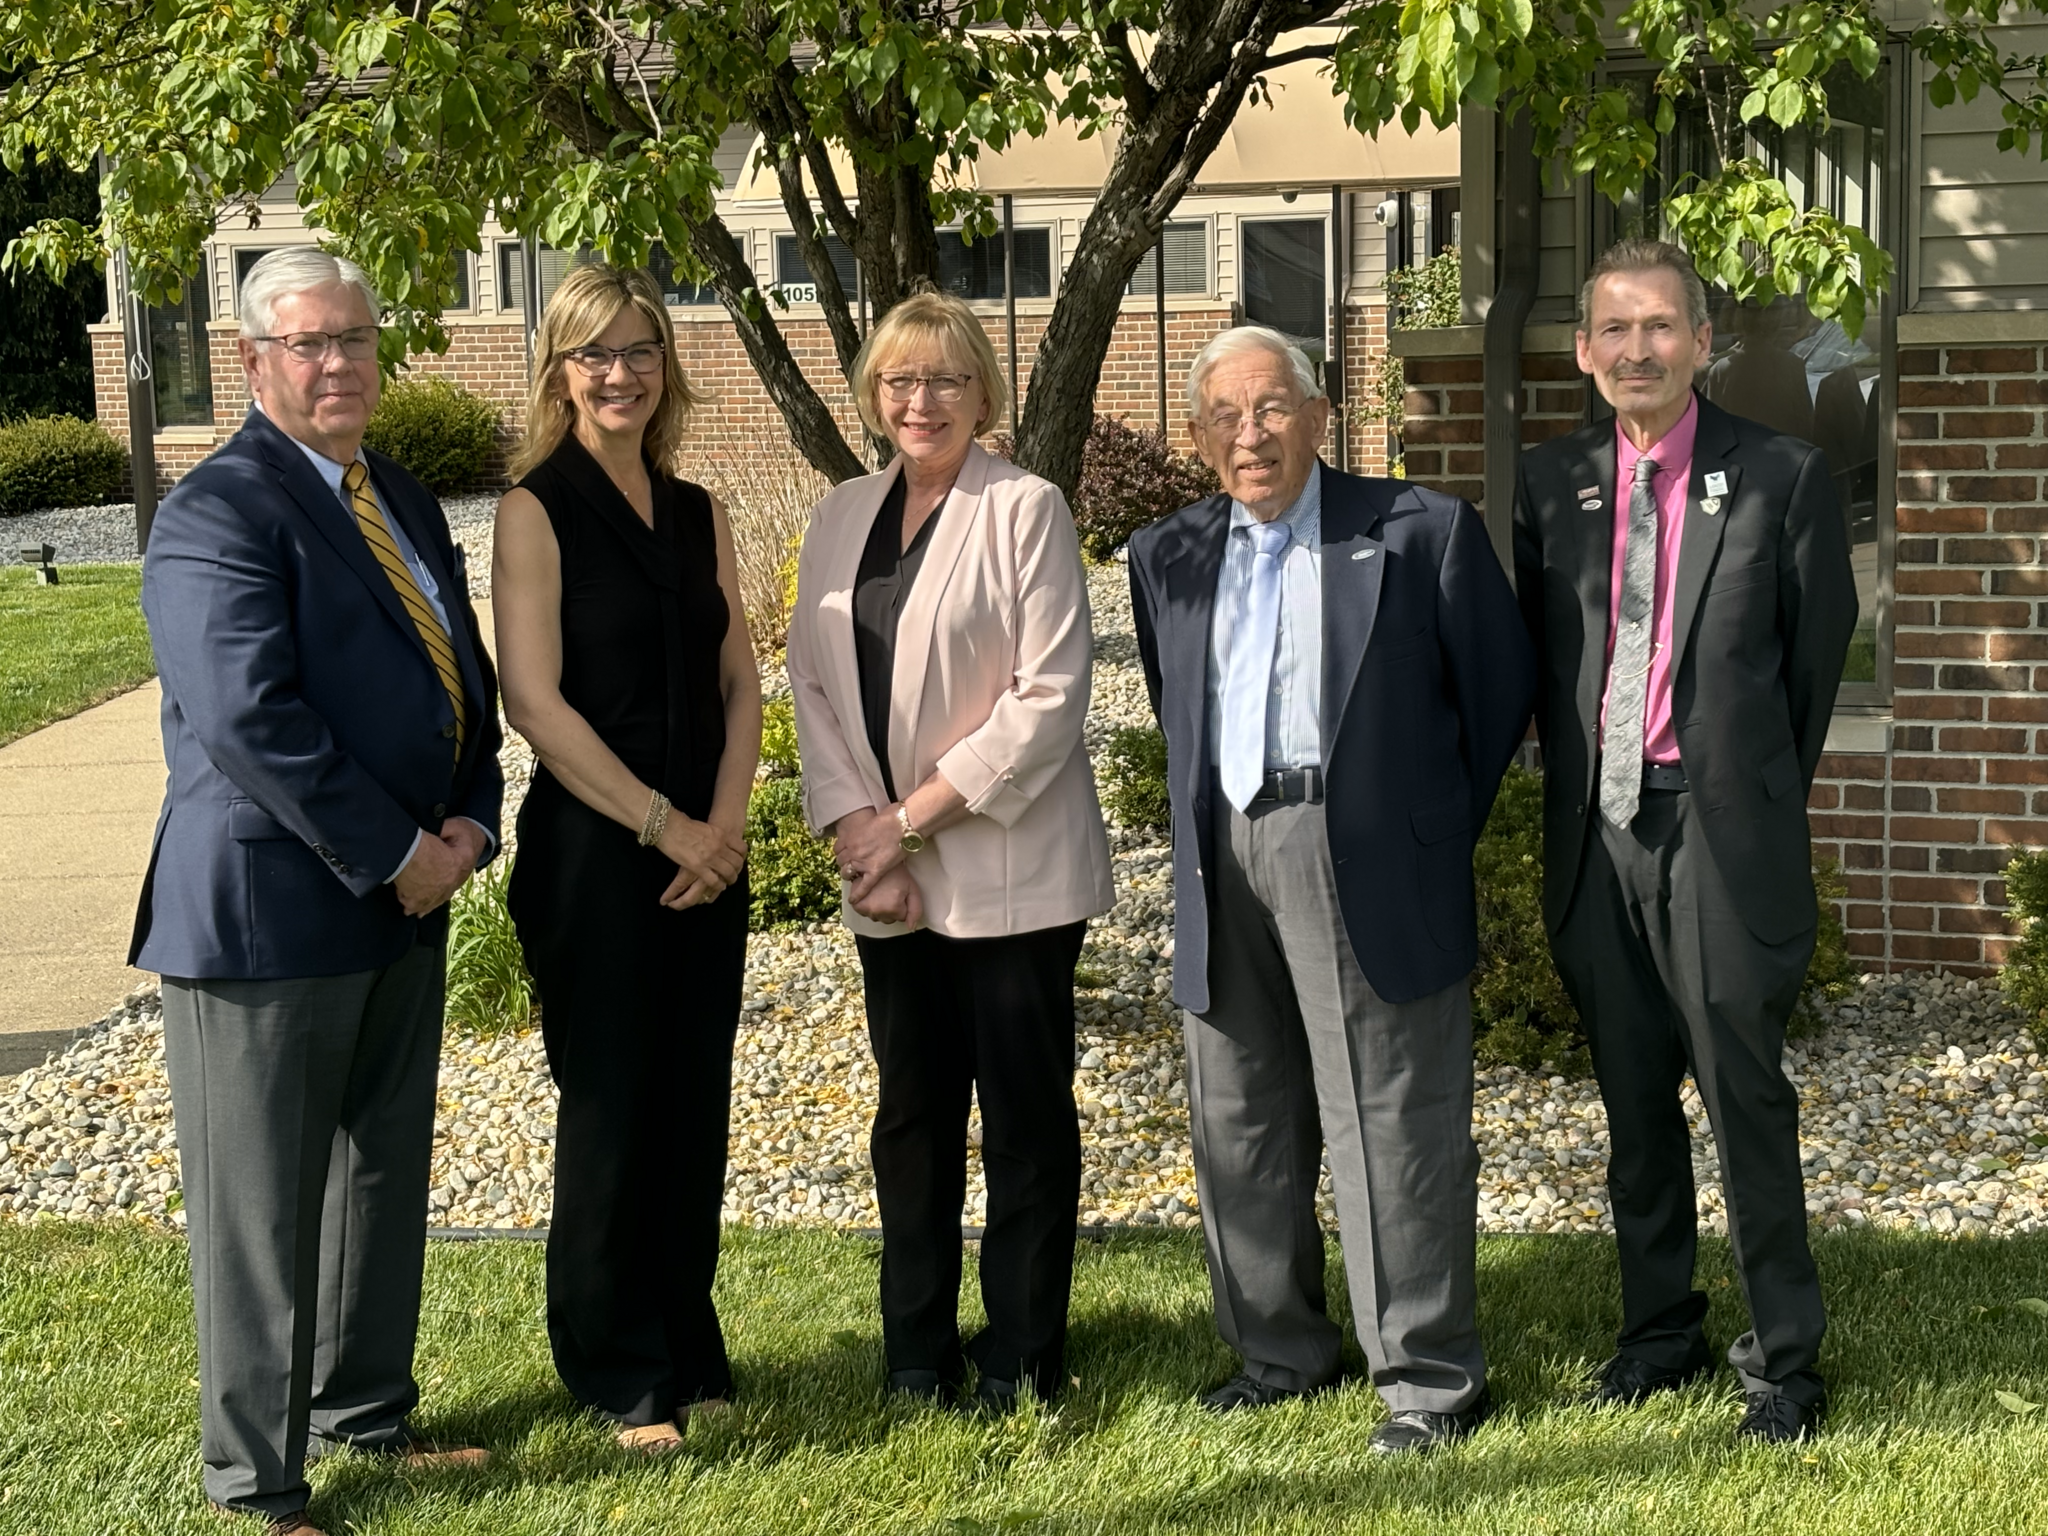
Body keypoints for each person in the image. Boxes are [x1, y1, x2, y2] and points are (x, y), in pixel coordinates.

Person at [131, 248, 502, 1535]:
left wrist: (468, 814)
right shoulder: (217, 512)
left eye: (356, 338)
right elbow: (251, 719)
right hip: (271, 915)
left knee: (380, 1176)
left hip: (410, 892)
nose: (338, 362)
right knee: (263, 1213)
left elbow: (461, 670)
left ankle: (365, 1415)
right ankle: (257, 1475)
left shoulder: (389, 489)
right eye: (309, 344)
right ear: (252, 360)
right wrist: (400, 855)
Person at [1127, 325, 1535, 1454]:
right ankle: (1277, 1352)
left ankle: (1424, 1377)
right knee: (1238, 1111)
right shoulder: (1167, 553)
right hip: (1222, 847)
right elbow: (1175, 702)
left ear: (1317, 414)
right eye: (1222, 415)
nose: (1247, 435)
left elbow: (1493, 699)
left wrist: (1411, 827)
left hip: (1351, 850)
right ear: (1199, 434)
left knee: (1387, 1116)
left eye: (1269, 409)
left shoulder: (1417, 533)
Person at [1512, 239, 1857, 1444]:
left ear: (1701, 344)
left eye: (1660, 327)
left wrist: (1740, 796)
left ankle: (1782, 1364)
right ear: (1582, 352)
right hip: (1594, 833)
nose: (1636, 350)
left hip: (1713, 834)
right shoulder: (1549, 483)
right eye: (1613, 330)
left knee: (1741, 1100)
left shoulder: (1780, 475)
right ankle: (1657, 1333)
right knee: (1631, 1106)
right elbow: (1540, 659)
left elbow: (1806, 673)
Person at [786, 288, 1113, 1412]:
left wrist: (907, 820)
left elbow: (1048, 701)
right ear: (874, 395)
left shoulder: (1025, 508)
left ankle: (1021, 1351)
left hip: (1006, 869)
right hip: (887, 873)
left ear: (983, 393)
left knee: (1023, 1121)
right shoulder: (837, 515)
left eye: (943, 380)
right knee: (911, 1118)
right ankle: (913, 1351)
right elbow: (811, 688)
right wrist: (853, 832)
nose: (918, 400)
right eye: (897, 381)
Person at [494, 263, 760, 1452]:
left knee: (690, 1107)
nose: (618, 374)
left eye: (639, 350)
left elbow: (740, 680)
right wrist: (666, 825)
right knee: (610, 1108)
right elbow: (533, 704)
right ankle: (612, 1367)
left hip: (708, 852)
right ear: (558, 371)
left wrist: (727, 825)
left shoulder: (700, 510)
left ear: (668, 365)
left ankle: (683, 1338)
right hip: (599, 857)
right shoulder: (532, 510)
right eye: (592, 354)